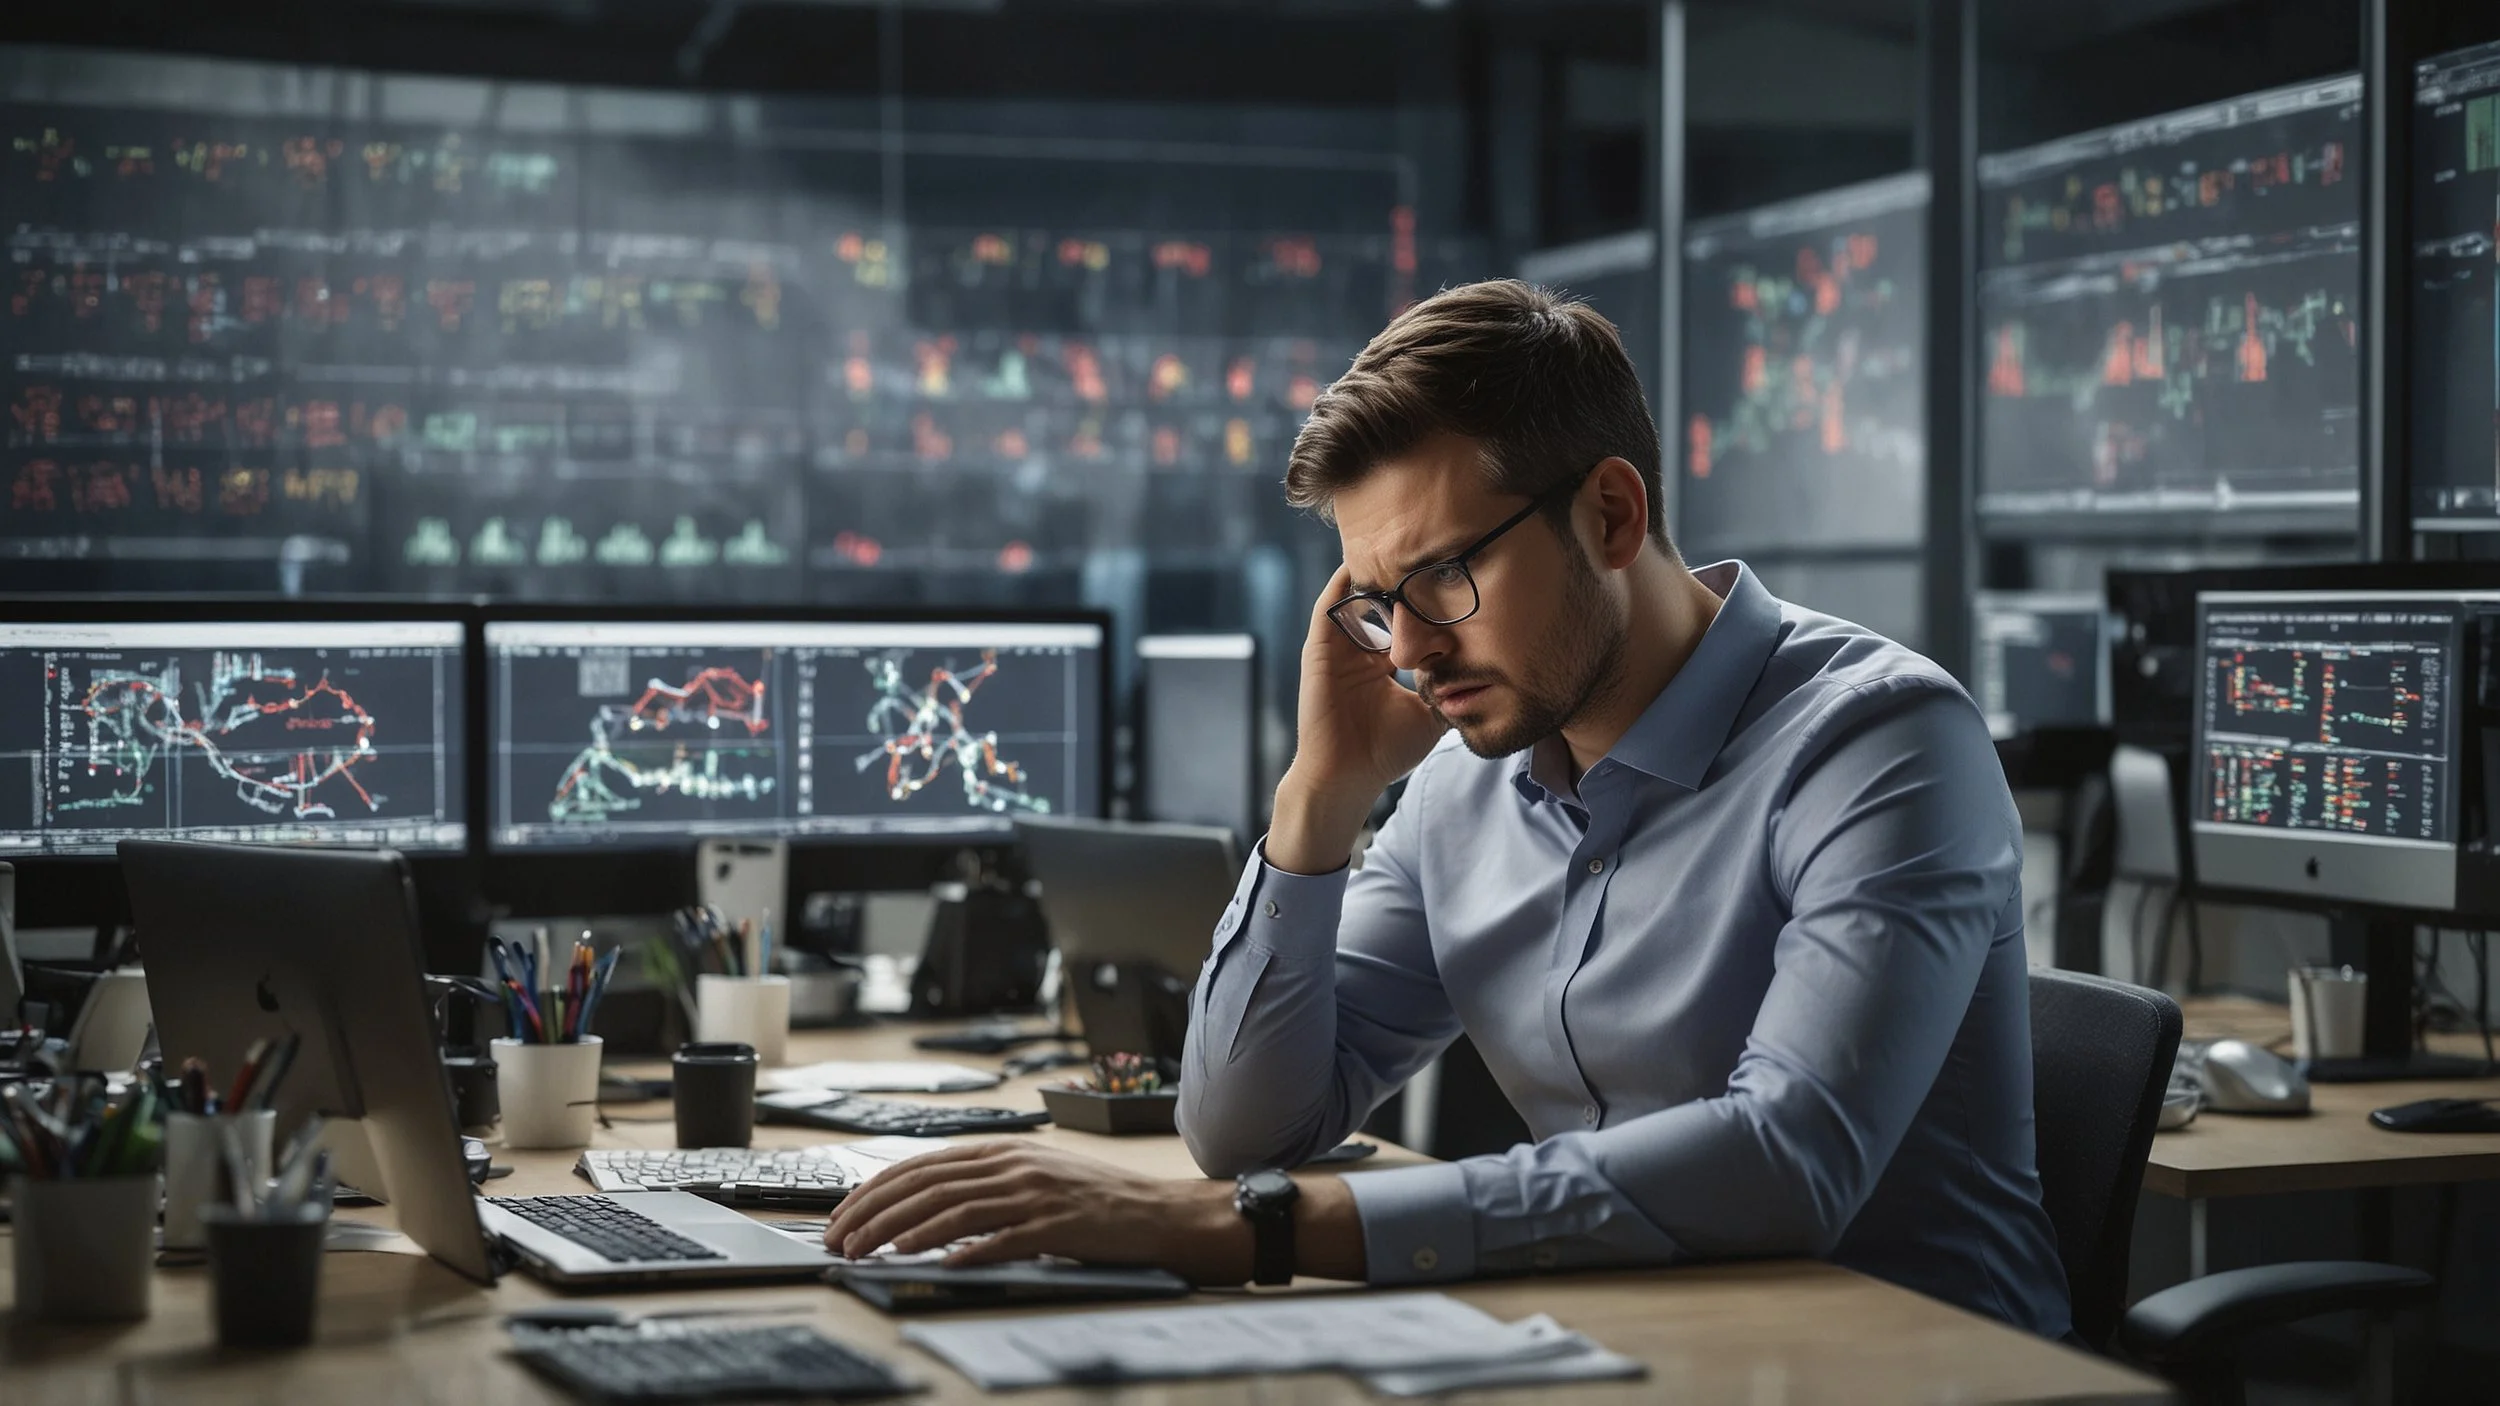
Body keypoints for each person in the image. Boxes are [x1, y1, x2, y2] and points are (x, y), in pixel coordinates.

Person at [824, 278, 2071, 1338]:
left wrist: (1254, 1227)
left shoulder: (1880, 742)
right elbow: (1247, 1129)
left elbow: (1783, 1160)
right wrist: (1319, 795)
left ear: (1611, 514)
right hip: (1611, 1341)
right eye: (1377, 602)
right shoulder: (1463, 777)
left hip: (1904, 1363)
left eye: (1445, 576)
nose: (1410, 651)